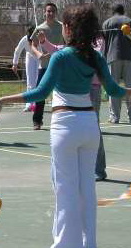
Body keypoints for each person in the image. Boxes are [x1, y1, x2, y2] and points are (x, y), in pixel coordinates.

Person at [0, 5, 131, 248]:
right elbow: (113, 89)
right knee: (87, 188)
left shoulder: (61, 58)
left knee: (65, 190)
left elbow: (40, 92)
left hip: (66, 127)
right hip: (89, 126)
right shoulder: (94, 56)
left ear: (70, 29)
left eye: (64, 25)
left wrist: (4, 99)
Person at [38, 33, 108, 181]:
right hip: (81, 90)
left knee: (94, 128)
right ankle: (83, 168)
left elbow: (97, 53)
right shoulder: (71, 48)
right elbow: (58, 50)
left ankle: (99, 169)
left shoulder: (97, 42)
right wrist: (44, 41)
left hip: (93, 88)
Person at [102, 5, 131, 124]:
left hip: (113, 57)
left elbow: (104, 42)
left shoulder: (107, 23)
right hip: (129, 57)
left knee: (113, 87)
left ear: (112, 12)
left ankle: (114, 116)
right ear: (124, 11)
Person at [30, 3, 64, 130]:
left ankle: (62, 120)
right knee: (40, 94)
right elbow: (32, 45)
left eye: (53, 11)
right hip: (44, 66)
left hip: (59, 66)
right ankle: (37, 121)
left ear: (56, 13)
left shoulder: (62, 27)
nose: (50, 13)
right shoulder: (40, 28)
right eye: (48, 11)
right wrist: (38, 54)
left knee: (61, 94)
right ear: (44, 12)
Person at [12, 27, 39, 112]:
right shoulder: (24, 40)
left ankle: (37, 104)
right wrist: (15, 64)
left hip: (39, 57)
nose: (31, 42)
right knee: (30, 82)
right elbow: (17, 51)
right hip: (30, 57)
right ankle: (29, 104)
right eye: (29, 40)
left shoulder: (40, 38)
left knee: (38, 81)